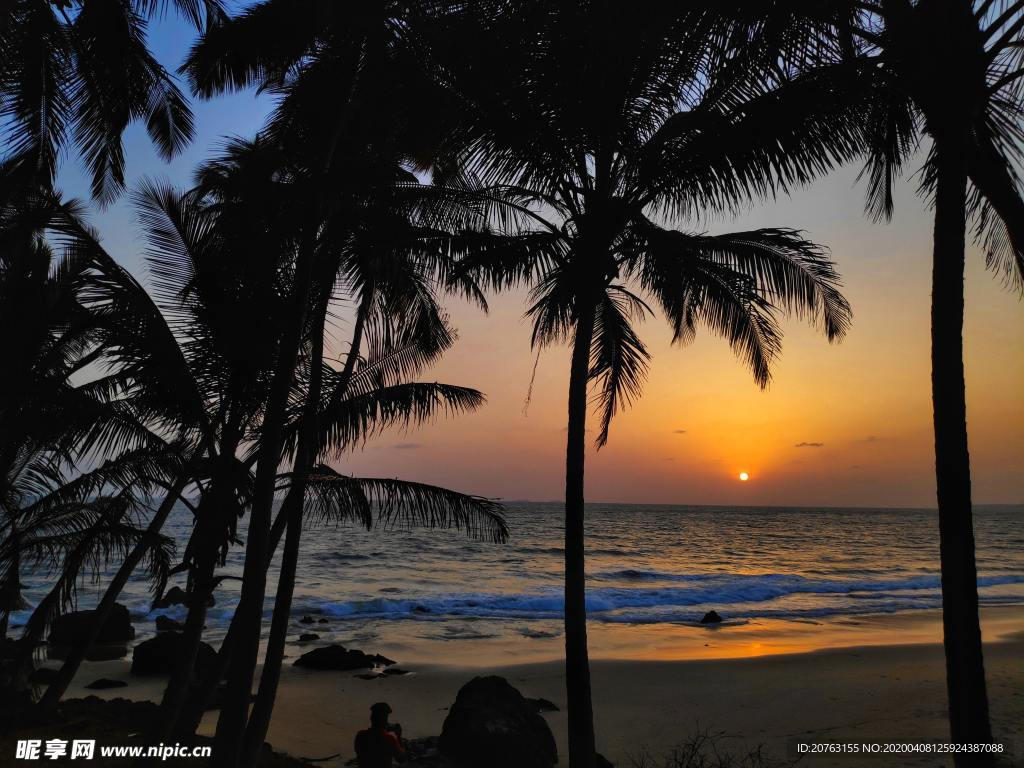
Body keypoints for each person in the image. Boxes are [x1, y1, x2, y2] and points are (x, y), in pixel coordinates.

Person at [353, 702, 406, 767]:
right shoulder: (390, 739)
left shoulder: (360, 735)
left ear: (371, 718)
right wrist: (399, 736)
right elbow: (401, 759)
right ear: (385, 720)